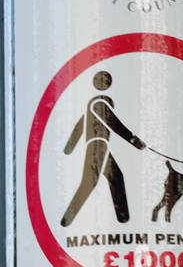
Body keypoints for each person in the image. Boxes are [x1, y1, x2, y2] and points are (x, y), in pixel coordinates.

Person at [60, 70, 146, 226]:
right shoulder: (100, 104)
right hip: (98, 145)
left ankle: (123, 218)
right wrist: (134, 140)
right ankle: (67, 220)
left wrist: (69, 148)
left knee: (116, 177)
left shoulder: (91, 107)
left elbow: (79, 127)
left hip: (99, 146)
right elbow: (114, 124)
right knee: (89, 183)